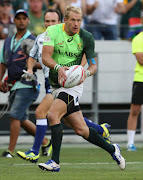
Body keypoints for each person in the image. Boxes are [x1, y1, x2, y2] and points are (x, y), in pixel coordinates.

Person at [19, 6, 125, 172]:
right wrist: (59, 67)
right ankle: (113, 150)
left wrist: (86, 73)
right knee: (81, 129)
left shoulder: (86, 37)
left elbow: (94, 65)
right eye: (73, 20)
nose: (76, 24)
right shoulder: (52, 31)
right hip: (55, 84)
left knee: (52, 114)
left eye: (79, 20)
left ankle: (54, 162)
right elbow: (46, 57)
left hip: (72, 85)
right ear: (65, 21)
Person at [0, 9, 49, 158]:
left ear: (28, 21)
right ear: (14, 21)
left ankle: (10, 151)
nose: (21, 21)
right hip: (13, 84)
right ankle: (46, 142)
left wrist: (31, 62)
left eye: (24, 18)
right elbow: (3, 62)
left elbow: (44, 62)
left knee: (15, 115)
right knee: (21, 119)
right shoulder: (8, 41)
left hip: (27, 83)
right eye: (18, 18)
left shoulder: (35, 40)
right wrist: (0, 79)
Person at [126, 12, 143, 151]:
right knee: (135, 111)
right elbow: (141, 60)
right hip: (141, 79)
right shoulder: (138, 38)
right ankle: (130, 142)